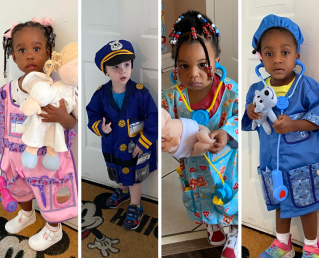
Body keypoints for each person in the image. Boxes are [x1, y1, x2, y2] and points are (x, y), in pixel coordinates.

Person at [161, 11, 238, 258]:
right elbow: (159, 119)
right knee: (199, 197)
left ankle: (236, 231)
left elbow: (243, 117)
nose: (194, 74)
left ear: (217, 60)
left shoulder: (230, 92)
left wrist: (226, 132)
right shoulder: (172, 96)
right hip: (192, 167)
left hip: (225, 166)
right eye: (184, 66)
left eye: (203, 65)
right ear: (175, 66)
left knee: (230, 198)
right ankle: (212, 225)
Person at [242, 14, 319, 257]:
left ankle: (311, 247)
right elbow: (247, 117)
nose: (277, 60)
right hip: (271, 164)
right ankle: (283, 244)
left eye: (285, 52)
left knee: (308, 207)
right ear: (260, 57)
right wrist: (251, 111)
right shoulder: (257, 89)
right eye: (269, 53)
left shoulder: (306, 86)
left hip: (302, 164)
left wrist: (295, 124)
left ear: (297, 55)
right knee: (279, 202)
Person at [1, 18, 78, 251]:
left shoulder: (57, 89)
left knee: (50, 194)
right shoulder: (6, 90)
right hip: (16, 157)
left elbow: (71, 123)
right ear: (13, 56)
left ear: (48, 52)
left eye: (36, 49)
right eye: (21, 50)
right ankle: (28, 215)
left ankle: (54, 229)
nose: (29, 55)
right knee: (20, 188)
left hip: (46, 161)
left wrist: (61, 117)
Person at [86, 39, 158, 230]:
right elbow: (92, 113)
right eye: (115, 67)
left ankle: (135, 204)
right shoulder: (101, 94)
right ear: (106, 71)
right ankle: (122, 191)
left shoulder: (140, 93)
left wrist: (144, 142)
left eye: (126, 65)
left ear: (132, 65)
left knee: (134, 178)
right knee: (117, 173)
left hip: (136, 147)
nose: (122, 71)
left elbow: (154, 117)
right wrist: (100, 127)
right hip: (112, 145)